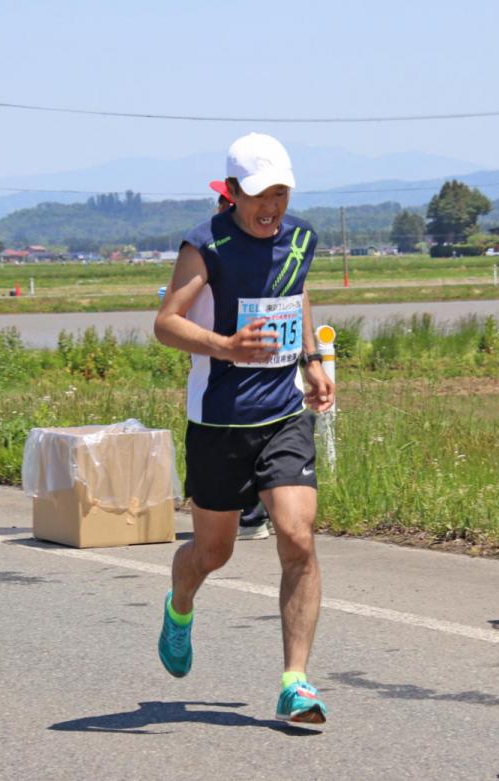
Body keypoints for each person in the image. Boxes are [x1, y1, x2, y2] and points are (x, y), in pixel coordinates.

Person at [154, 132, 334, 724]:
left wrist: (312, 361)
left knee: (298, 536)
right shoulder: (206, 245)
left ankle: (296, 682)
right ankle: (180, 607)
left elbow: (296, 291)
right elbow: (166, 324)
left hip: (283, 414)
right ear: (231, 193)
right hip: (219, 422)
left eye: (280, 194)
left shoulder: (302, 237)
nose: (271, 208)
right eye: (260, 195)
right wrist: (226, 347)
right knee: (213, 551)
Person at [207, 177, 273, 542]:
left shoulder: (241, 251)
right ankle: (253, 511)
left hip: (251, 363)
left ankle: (251, 514)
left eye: (224, 201)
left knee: (250, 435)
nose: (221, 207)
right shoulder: (212, 246)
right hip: (230, 360)